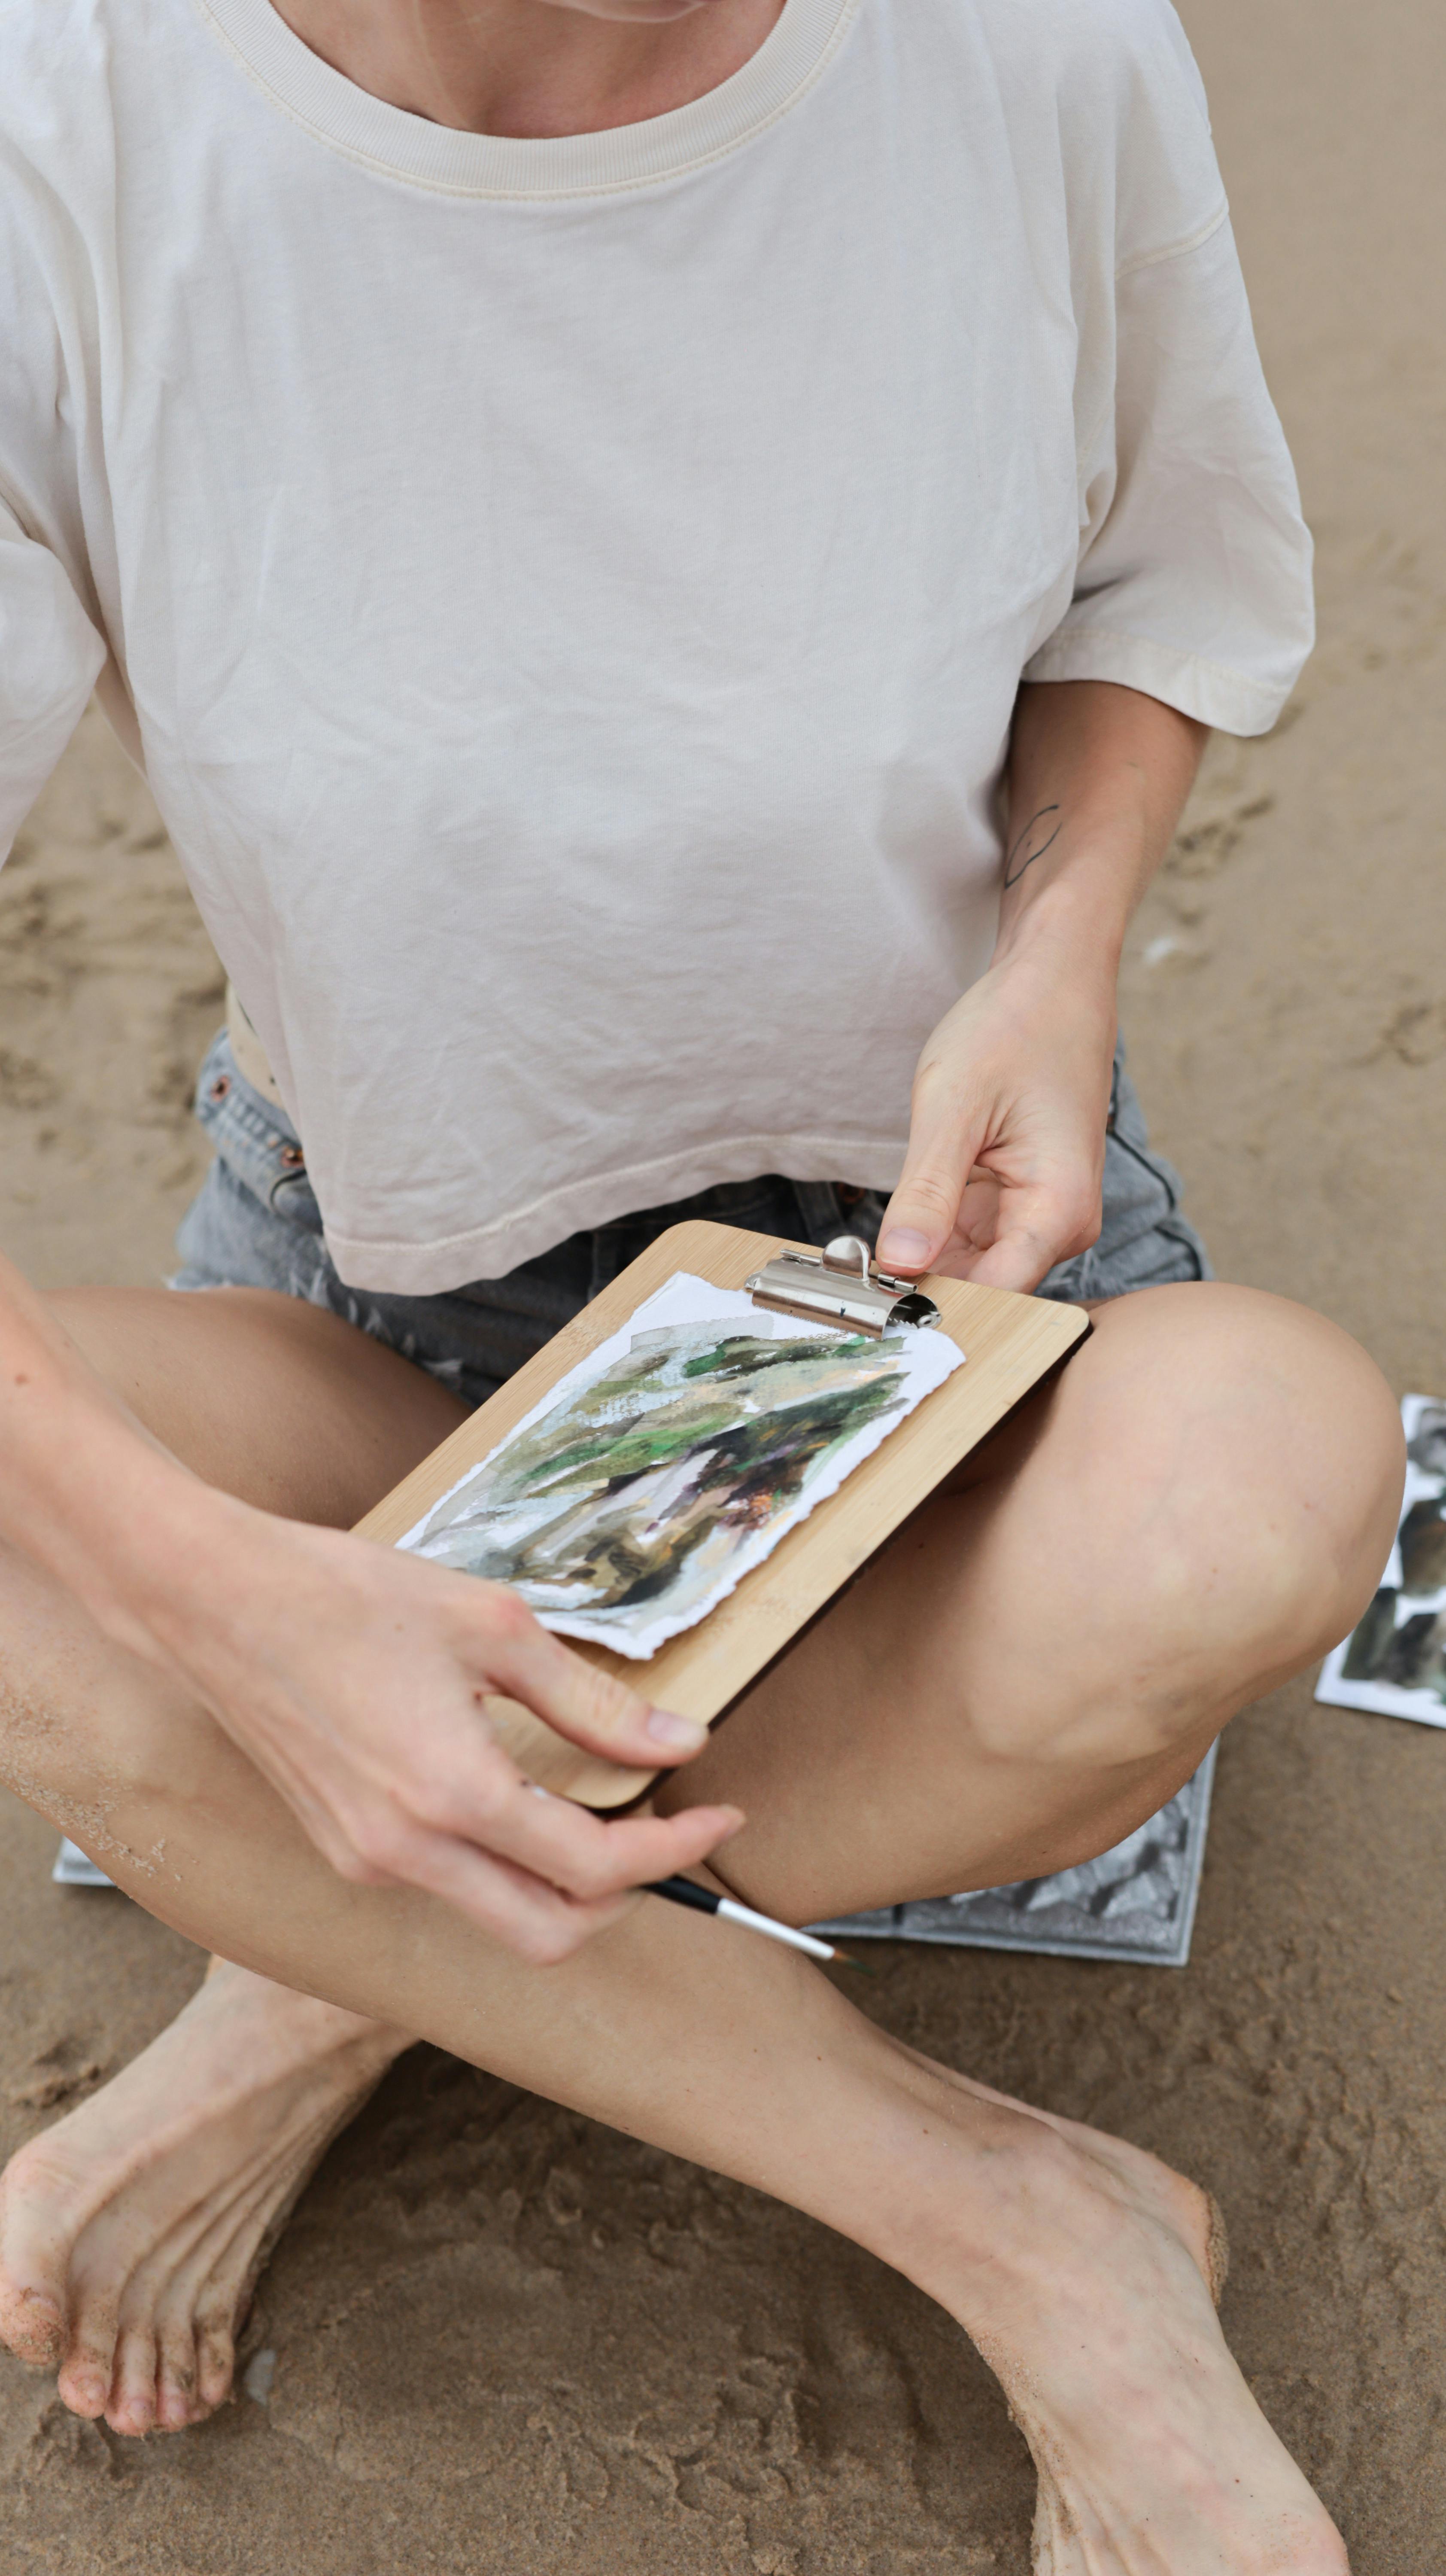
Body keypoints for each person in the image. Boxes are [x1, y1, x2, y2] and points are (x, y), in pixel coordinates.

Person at [0, 0, 1403, 2563]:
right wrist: (231, 1601)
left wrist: (1050, 967)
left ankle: (333, 1966)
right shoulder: (60, 117)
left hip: (933, 1272)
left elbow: (1151, 583)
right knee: (42, 1566)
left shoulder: (1035, 46)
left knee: (1257, 1484)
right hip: (379, 1297)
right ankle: (1022, 2220)